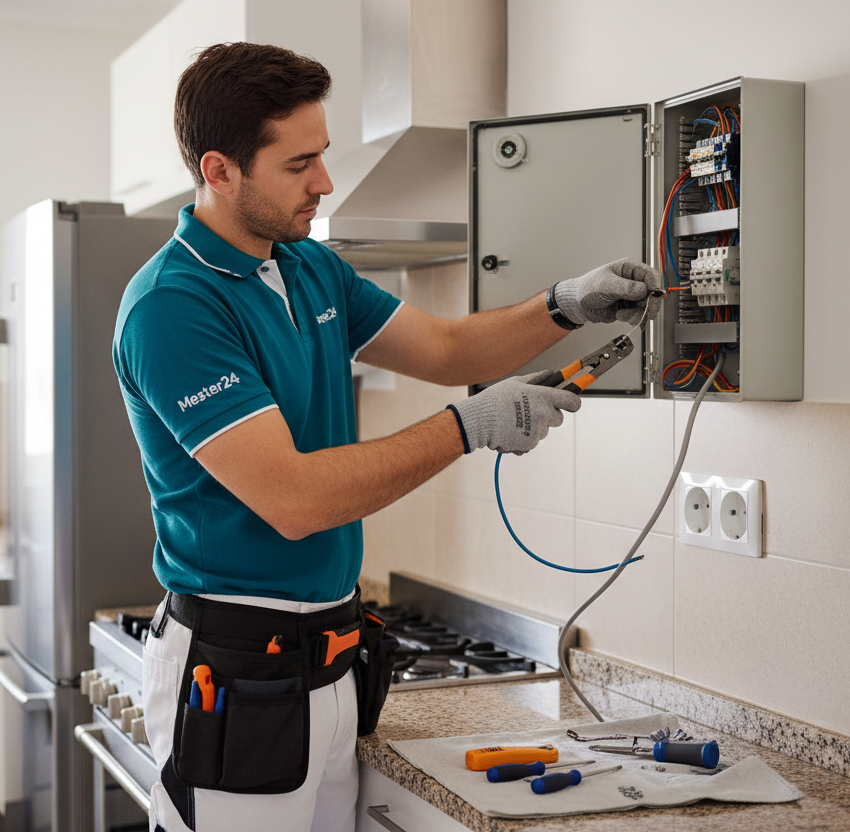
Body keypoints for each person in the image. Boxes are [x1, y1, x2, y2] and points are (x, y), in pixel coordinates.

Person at [112, 42, 659, 832]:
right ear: (220, 171)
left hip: (336, 658)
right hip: (234, 670)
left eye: (323, 155)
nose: (324, 182)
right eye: (299, 164)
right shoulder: (173, 306)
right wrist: (470, 426)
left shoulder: (308, 267)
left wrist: (567, 304)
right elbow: (295, 501)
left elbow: (446, 349)